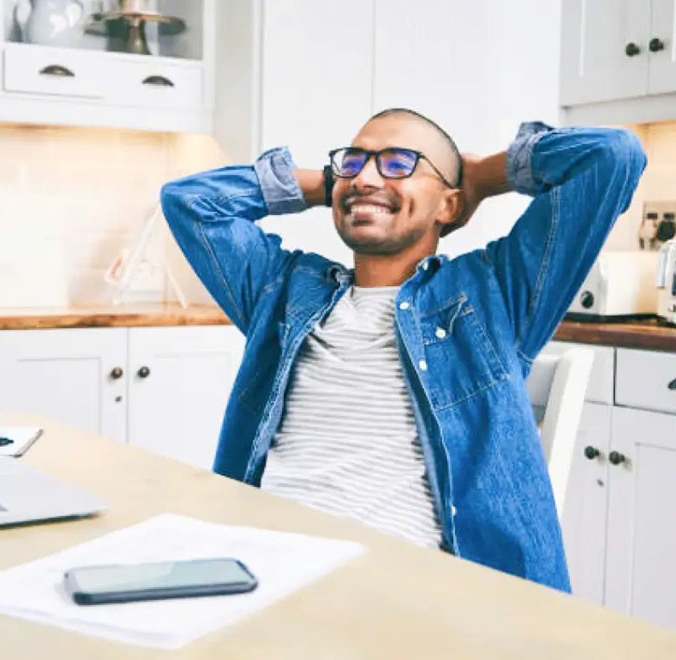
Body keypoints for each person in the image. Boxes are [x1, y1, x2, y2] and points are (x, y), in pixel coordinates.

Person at [160, 109, 646, 591]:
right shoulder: (284, 290)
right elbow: (190, 202)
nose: (367, 176)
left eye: (398, 163)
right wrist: (331, 183)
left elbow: (611, 156)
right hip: (262, 566)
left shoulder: (494, 293)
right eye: (352, 162)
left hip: (404, 589)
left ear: (448, 206)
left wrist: (484, 175)